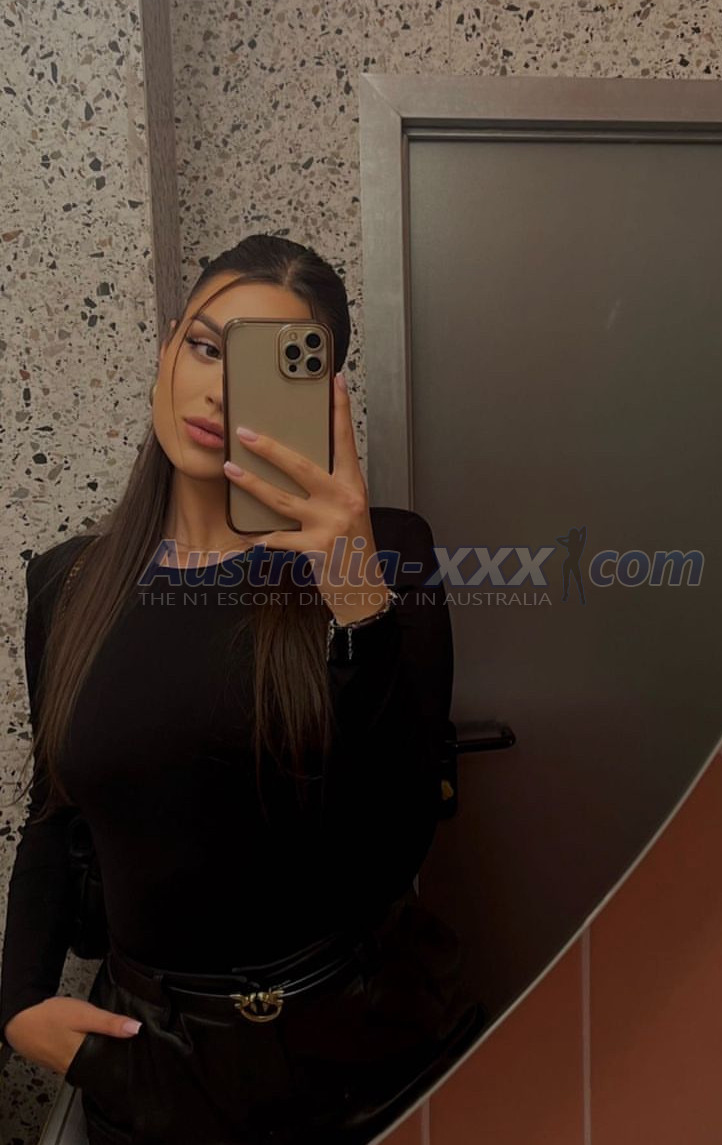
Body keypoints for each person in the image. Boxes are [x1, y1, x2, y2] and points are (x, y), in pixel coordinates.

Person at [0, 233, 484, 1144]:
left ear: (324, 399)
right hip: (148, 1064)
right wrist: (19, 1001)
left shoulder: (389, 554)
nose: (220, 389)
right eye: (204, 345)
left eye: (267, 367)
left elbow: (397, 841)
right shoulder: (71, 583)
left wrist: (357, 601)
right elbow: (55, 814)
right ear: (166, 353)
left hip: (354, 1053)